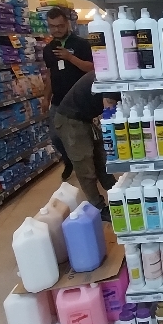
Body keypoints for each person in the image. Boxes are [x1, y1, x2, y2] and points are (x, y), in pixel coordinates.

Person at [53, 71, 117, 218]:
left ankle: (118, 193)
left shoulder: (112, 72)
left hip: (86, 118)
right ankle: (99, 208)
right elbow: (109, 110)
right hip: (71, 120)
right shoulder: (111, 76)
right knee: (85, 166)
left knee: (101, 160)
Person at [42, 7, 94, 181]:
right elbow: (50, 75)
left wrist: (70, 57)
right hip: (58, 101)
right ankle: (68, 161)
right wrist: (46, 98)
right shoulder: (48, 49)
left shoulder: (81, 44)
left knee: (84, 138)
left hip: (79, 102)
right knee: (56, 137)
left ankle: (90, 168)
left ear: (67, 24)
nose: (57, 29)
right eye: (52, 26)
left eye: (60, 26)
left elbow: (92, 68)